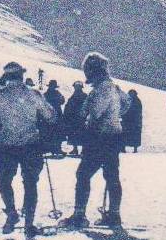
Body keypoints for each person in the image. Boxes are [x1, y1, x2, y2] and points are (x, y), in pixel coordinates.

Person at [0, 61, 57, 236]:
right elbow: (50, 116)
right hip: (30, 144)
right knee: (30, 183)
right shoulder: (33, 94)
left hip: (7, 144)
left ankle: (11, 212)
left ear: (6, 76)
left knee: (4, 181)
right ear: (22, 75)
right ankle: (29, 224)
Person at [60, 52, 129, 230]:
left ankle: (79, 214)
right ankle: (114, 214)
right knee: (112, 176)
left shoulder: (102, 89)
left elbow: (95, 112)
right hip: (113, 136)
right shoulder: (113, 87)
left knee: (83, 174)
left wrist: (86, 109)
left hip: (99, 137)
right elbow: (126, 104)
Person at [64, 81, 88, 156]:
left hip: (80, 118)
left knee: (82, 134)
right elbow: (68, 106)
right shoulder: (74, 96)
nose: (76, 88)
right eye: (76, 87)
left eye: (78, 87)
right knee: (75, 133)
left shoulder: (84, 96)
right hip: (75, 118)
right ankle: (75, 149)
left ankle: (83, 150)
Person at [43, 80, 66, 155]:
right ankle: (51, 148)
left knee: (58, 132)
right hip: (50, 114)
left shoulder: (56, 93)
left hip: (56, 114)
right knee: (50, 132)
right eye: (52, 86)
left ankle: (57, 149)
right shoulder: (46, 94)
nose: (53, 88)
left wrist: (62, 99)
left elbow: (62, 101)